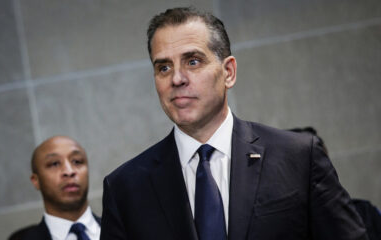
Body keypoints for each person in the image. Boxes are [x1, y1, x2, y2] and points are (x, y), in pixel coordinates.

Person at [100, 7, 368, 240]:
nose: (177, 79)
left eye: (193, 61)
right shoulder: (125, 188)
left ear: (228, 72)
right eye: (164, 68)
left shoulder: (298, 157)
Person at [9, 136, 101, 240]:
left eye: (77, 161)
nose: (69, 171)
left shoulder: (120, 227)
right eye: (54, 163)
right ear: (36, 180)